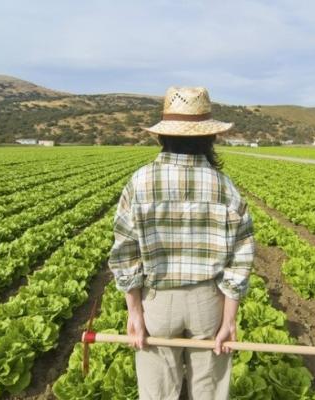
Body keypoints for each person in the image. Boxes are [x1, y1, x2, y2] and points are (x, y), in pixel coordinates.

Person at [107, 86, 255, 400]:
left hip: (157, 302)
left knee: (158, 392)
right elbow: (242, 257)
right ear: (210, 137)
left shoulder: (140, 181)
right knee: (209, 391)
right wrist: (229, 319)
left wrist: (134, 312)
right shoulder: (225, 187)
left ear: (162, 136)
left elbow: (125, 252)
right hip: (208, 302)